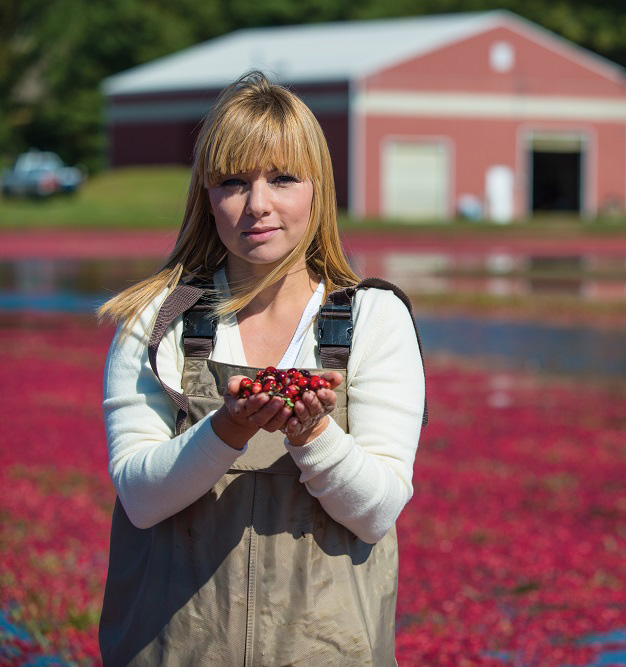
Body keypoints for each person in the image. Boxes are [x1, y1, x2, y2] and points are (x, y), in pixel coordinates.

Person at [95, 69, 427, 666]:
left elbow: (376, 511)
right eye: (232, 181)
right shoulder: (158, 319)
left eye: (282, 179)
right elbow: (141, 498)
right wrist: (227, 428)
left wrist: (314, 434)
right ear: (206, 195)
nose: (257, 205)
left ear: (318, 189)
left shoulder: (375, 318)